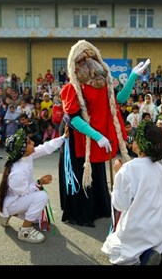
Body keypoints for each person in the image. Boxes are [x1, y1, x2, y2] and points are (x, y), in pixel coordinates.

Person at [58, 40, 150, 227]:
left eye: (91, 57)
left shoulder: (103, 85)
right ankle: (80, 213)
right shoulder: (71, 88)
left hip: (97, 137)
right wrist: (97, 136)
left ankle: (99, 207)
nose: (88, 61)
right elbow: (74, 118)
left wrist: (132, 76)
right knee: (81, 172)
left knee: (97, 172)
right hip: (78, 137)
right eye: (82, 59)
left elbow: (118, 100)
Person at [101, 121, 162, 265]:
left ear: (140, 145)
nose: (132, 142)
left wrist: (118, 174)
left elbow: (120, 204)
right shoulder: (159, 167)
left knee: (115, 249)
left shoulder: (128, 169)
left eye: (134, 139)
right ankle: (159, 249)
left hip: (139, 228)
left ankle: (145, 258)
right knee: (152, 239)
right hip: (160, 227)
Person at [0, 126, 69, 243]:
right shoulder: (18, 171)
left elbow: (45, 148)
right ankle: (25, 231)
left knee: (39, 218)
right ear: (22, 150)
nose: (33, 142)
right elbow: (23, 192)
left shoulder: (26, 156)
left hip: (18, 199)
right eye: (29, 142)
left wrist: (63, 137)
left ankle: (7, 214)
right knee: (41, 196)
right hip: (14, 201)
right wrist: (39, 183)